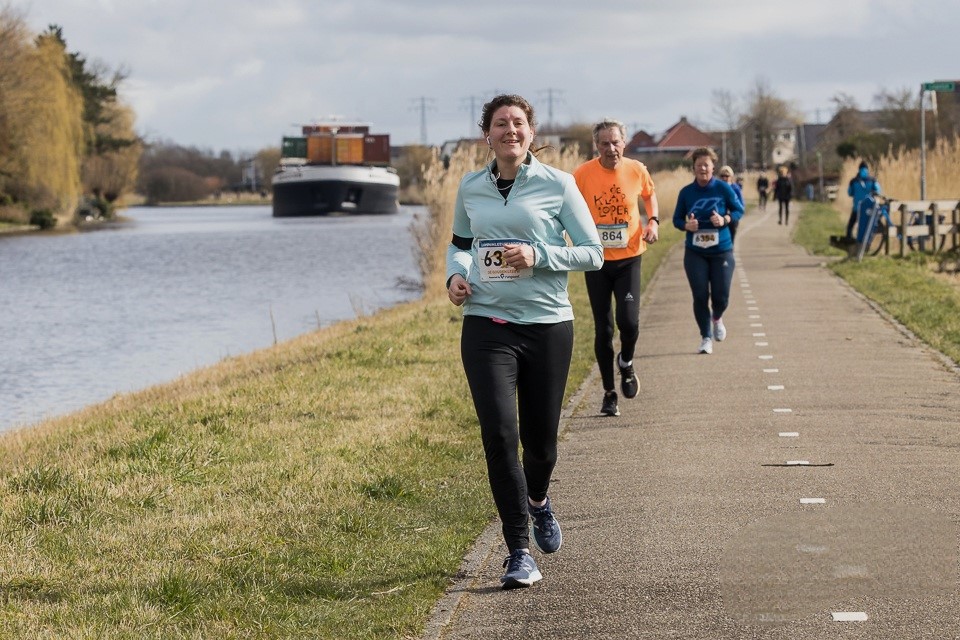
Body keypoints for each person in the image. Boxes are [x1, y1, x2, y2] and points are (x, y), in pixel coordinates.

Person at [446, 94, 603, 589]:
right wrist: (455, 277)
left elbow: (593, 253)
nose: (509, 131)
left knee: (541, 445)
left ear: (531, 133)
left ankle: (539, 500)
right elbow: (461, 246)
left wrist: (539, 255)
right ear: (486, 134)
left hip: (546, 325)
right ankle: (518, 552)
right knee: (499, 436)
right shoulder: (470, 187)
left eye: (518, 123)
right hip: (487, 324)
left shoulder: (559, 185)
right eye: (499, 124)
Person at [573, 119, 659, 418]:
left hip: (629, 256)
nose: (611, 148)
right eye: (604, 143)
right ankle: (610, 393)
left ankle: (627, 361)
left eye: (616, 142)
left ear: (624, 143)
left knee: (629, 322)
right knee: (604, 328)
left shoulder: (636, 169)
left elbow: (649, 194)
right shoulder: (583, 174)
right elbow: (568, 207)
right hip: (596, 260)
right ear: (597, 146)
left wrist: (653, 221)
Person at [672, 147, 744, 355]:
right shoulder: (686, 192)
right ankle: (705, 337)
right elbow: (677, 218)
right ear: (693, 168)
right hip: (695, 251)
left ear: (713, 167)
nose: (703, 168)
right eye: (699, 165)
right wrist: (687, 226)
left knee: (721, 297)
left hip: (721, 249)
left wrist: (725, 219)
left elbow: (739, 209)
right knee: (700, 295)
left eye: (707, 165)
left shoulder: (723, 188)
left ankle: (717, 317)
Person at [845, 160, 881, 241]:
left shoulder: (853, 181)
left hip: (856, 208)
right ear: (867, 169)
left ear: (859, 169)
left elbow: (850, 193)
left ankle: (849, 239)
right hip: (868, 208)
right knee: (867, 225)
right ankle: (867, 241)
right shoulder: (872, 180)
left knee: (850, 225)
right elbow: (878, 191)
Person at [717, 165, 744, 245]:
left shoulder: (735, 188)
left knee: (731, 238)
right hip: (720, 217)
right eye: (722, 176)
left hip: (732, 217)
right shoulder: (717, 187)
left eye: (727, 176)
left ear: (731, 177)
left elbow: (741, 204)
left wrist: (734, 215)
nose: (724, 178)